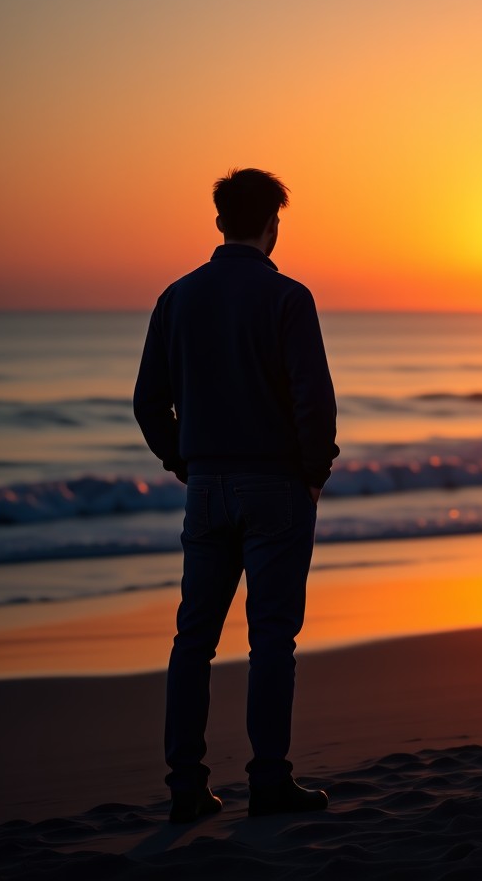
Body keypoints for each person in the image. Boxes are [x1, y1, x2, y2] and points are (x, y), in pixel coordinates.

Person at [133, 167, 339, 823]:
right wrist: (314, 471)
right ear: (272, 225)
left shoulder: (178, 297)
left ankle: (186, 786)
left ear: (220, 222)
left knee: (193, 637)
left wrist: (181, 460)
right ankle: (269, 781)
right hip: (276, 484)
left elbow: (147, 401)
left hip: (208, 485)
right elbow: (315, 397)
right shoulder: (287, 297)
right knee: (272, 637)